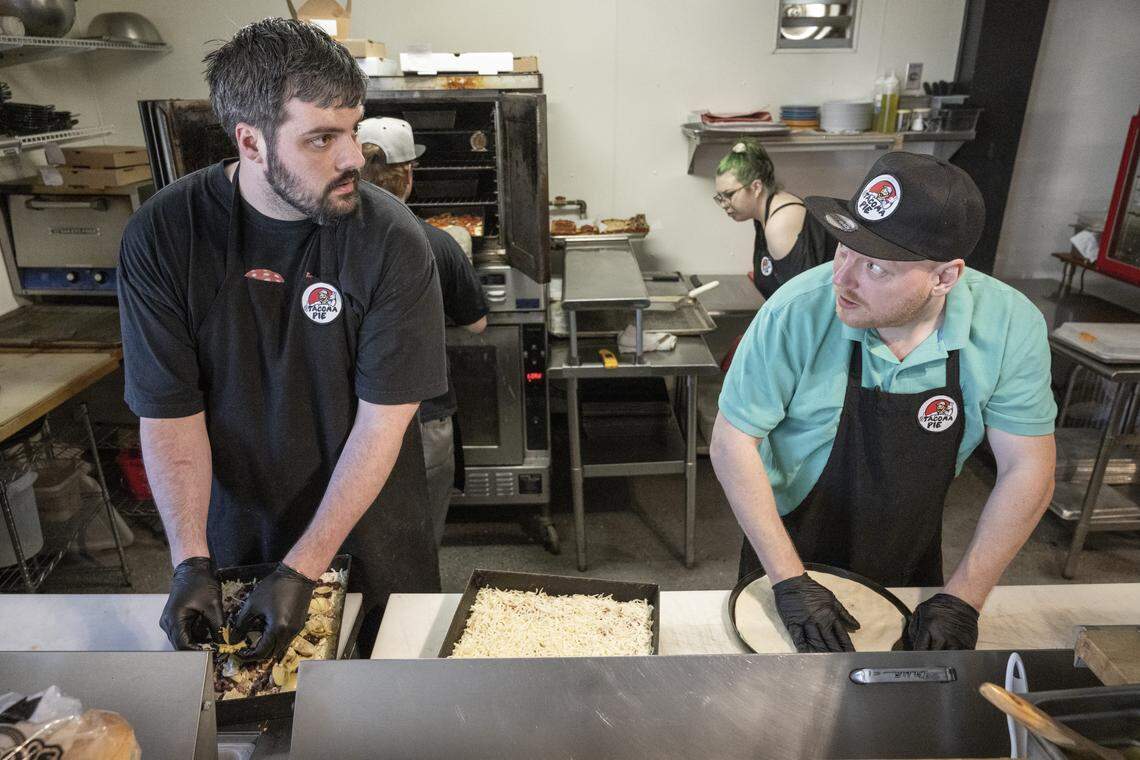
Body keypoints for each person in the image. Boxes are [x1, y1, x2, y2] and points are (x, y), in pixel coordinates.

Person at [117, 19, 448, 658]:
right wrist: (190, 560)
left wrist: (304, 569)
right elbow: (168, 412)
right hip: (234, 526)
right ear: (251, 141)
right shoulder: (165, 235)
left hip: (372, 525)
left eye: (352, 129)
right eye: (321, 138)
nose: (353, 157)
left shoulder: (391, 239)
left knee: (387, 710)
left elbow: (383, 425)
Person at [710, 152, 1057, 653]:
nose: (842, 279)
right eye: (844, 249)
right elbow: (732, 440)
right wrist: (788, 582)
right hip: (787, 541)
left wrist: (964, 598)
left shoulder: (1008, 326)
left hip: (908, 547)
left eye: (874, 266)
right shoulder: (796, 310)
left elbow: (1028, 465)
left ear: (944, 278)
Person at [357, 116, 489, 546]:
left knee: (359, 533)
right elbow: (477, 323)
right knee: (420, 539)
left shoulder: (324, 239)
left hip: (349, 417)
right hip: (423, 415)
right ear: (409, 174)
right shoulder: (436, 243)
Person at [713, 139, 837, 299]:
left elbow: (802, 302)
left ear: (756, 187)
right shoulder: (762, 215)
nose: (724, 204)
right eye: (720, 197)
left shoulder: (781, 224)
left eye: (729, 195)